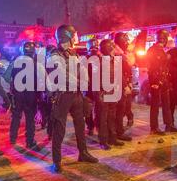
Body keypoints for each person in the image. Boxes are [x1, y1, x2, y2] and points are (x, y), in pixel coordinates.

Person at [49, 25, 98, 173]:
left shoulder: (73, 53)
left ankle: (83, 153)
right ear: (67, 36)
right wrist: (79, 82)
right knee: (60, 128)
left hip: (76, 95)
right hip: (63, 95)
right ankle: (56, 161)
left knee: (80, 124)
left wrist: (85, 81)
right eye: (74, 33)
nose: (77, 36)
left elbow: (81, 70)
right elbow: (61, 73)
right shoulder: (54, 54)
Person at [146, 30, 177, 135]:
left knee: (166, 104)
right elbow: (151, 67)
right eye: (165, 38)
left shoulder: (162, 50)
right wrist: (155, 81)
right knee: (155, 104)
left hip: (164, 80)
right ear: (163, 38)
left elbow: (164, 67)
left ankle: (169, 125)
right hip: (157, 81)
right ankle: (154, 127)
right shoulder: (153, 50)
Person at [9, 41, 40, 149]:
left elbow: (8, 77)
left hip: (18, 94)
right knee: (30, 118)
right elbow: (39, 79)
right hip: (31, 94)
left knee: (16, 116)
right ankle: (30, 141)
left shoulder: (15, 61)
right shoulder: (36, 63)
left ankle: (12, 138)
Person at [97, 39, 125, 150]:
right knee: (103, 118)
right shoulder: (100, 61)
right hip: (104, 94)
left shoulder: (114, 60)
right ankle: (103, 140)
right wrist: (100, 94)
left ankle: (112, 138)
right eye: (113, 47)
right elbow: (96, 79)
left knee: (112, 117)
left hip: (113, 92)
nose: (116, 49)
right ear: (109, 48)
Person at [114, 32, 133, 141]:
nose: (127, 43)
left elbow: (128, 70)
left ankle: (118, 130)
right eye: (125, 40)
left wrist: (129, 81)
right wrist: (125, 85)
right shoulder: (116, 53)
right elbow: (118, 72)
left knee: (123, 107)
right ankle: (118, 132)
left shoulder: (123, 53)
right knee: (119, 109)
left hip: (124, 82)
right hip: (118, 84)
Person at [84, 38, 100, 136]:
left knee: (98, 110)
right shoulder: (84, 59)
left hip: (96, 88)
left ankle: (93, 126)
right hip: (89, 88)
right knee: (88, 110)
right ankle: (90, 126)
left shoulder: (101, 58)